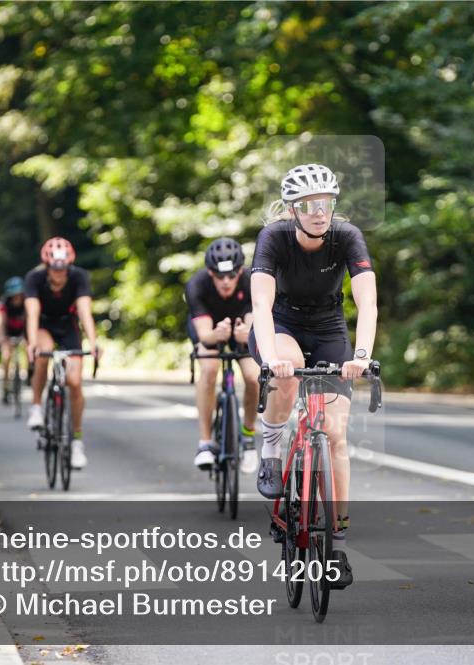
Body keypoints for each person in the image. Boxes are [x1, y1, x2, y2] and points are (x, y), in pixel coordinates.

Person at [248, 163, 378, 589]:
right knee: (286, 378)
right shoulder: (274, 237)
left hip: (328, 328)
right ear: (292, 210)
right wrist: (271, 358)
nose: (319, 212)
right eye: (308, 205)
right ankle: (271, 446)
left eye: (325, 203)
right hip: (281, 324)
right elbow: (261, 306)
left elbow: (367, 303)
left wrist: (361, 356)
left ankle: (337, 541)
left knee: (335, 434)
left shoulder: (347, 236)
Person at [24, 237, 101, 470]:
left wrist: (94, 342)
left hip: (68, 325)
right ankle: (36, 407)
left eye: (63, 269)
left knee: (74, 382)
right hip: (44, 324)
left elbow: (85, 311)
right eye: (54, 269)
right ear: (47, 267)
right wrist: (32, 343)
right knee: (43, 352)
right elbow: (32, 313)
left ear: (69, 266)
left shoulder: (79, 277)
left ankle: (76, 441)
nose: (59, 274)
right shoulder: (34, 278)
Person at [186, 238, 259, 473]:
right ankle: (205, 443)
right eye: (220, 276)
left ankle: (248, 436)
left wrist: (247, 335)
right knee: (209, 370)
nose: (226, 281)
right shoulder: (197, 284)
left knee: (253, 377)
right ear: (210, 273)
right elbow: (204, 335)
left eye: (231, 275)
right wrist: (216, 335)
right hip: (210, 329)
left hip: (241, 328)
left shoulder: (252, 281)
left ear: (240, 271)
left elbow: (255, 324)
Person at [0, 276, 28, 403]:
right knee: (6, 356)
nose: (17, 297)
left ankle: (30, 371)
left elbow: (31, 320)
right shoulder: (2, 304)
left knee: (30, 349)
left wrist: (29, 337)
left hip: (23, 332)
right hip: (7, 333)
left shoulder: (27, 303)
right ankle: (6, 386)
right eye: (14, 295)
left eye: (19, 294)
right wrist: (0, 336)